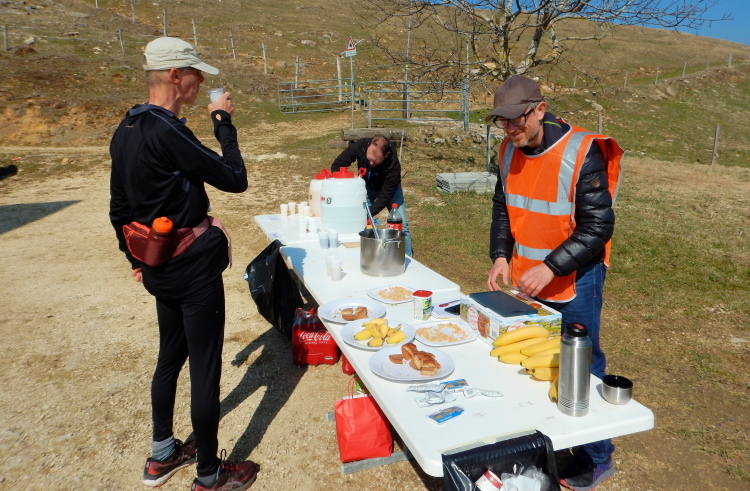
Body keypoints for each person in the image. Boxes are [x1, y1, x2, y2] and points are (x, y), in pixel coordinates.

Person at [109, 37, 259, 491]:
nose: (199, 81)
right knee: (204, 368)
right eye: (195, 73)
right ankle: (210, 475)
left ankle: (162, 454)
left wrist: (136, 258)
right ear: (176, 76)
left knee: (170, 356)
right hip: (192, 270)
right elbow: (235, 178)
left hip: (159, 269)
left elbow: (119, 208)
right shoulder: (167, 130)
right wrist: (223, 122)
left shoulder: (127, 127)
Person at [485, 75, 623, 491]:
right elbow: (503, 206)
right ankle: (542, 438)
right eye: (503, 122)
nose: (511, 129)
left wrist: (551, 267)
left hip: (577, 278)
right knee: (531, 361)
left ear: (540, 109)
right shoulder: (508, 149)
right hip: (529, 279)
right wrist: (500, 254)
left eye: (518, 120)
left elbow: (598, 226)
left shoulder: (582, 151)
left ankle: (596, 457)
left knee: (581, 366)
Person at [331, 135, 412, 256]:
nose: (371, 163)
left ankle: (407, 258)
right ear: (368, 145)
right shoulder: (360, 146)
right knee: (361, 224)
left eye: (376, 161)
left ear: (386, 155)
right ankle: (364, 255)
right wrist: (349, 184)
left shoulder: (393, 165)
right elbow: (337, 165)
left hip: (390, 190)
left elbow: (385, 196)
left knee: (402, 225)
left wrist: (369, 213)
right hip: (366, 187)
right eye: (369, 159)